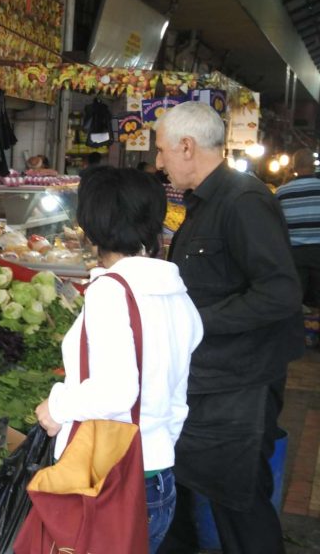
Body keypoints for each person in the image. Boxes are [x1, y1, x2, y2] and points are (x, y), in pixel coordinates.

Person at [154, 101, 303, 554]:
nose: (158, 162)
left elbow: (280, 293)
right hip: (215, 376)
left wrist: (195, 322)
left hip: (243, 379)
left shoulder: (243, 200)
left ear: (186, 146)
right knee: (200, 490)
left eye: (161, 150)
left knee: (238, 500)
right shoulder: (205, 202)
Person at [35, 167, 203, 553]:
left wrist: (57, 406)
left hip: (110, 478)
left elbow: (117, 390)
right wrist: (157, 442)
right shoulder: (176, 292)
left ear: (92, 228)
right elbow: (178, 390)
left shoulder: (111, 291)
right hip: (158, 478)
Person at [276, 148, 320, 310]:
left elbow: (276, 222)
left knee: (295, 299)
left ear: (294, 167)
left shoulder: (282, 192)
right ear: (313, 165)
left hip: (294, 253)